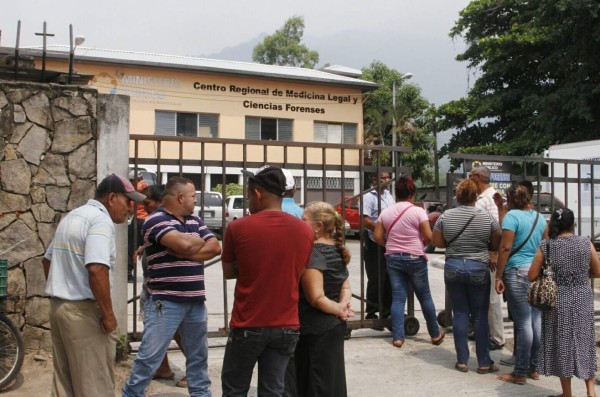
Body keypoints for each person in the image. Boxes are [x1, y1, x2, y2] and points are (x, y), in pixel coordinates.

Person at [42, 173, 145, 397]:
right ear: (111, 198)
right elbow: (97, 269)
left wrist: (63, 287)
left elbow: (47, 260)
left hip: (59, 308)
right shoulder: (100, 221)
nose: (130, 209)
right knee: (95, 385)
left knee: (64, 383)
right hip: (83, 312)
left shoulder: (73, 216)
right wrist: (108, 315)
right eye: (127, 201)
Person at [122, 176, 221, 397]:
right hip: (165, 302)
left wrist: (186, 249)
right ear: (180, 197)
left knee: (198, 357)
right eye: (193, 196)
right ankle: (132, 394)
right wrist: (194, 243)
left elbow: (215, 247)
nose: (196, 200)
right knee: (150, 357)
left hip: (195, 302)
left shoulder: (194, 220)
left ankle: (201, 394)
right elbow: (186, 243)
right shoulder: (155, 220)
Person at [220, 165, 314, 397]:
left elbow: (229, 271)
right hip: (287, 326)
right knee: (273, 390)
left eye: (249, 194)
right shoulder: (305, 230)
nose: (249, 199)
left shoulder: (237, 227)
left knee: (234, 389)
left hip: (248, 324)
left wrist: (253, 265)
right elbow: (300, 271)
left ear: (258, 193)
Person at [528, 208, 600, 397]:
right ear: (573, 225)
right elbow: (598, 271)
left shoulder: (547, 245)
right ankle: (590, 391)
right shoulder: (585, 243)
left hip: (558, 301)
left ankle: (567, 394)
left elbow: (531, 275)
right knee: (585, 342)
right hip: (582, 298)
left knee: (563, 345)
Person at [431, 179, 501, 373]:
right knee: (479, 316)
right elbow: (496, 241)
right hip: (478, 267)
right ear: (474, 196)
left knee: (460, 314)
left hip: (453, 267)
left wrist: (454, 243)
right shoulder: (486, 217)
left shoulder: (446, 216)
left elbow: (436, 241)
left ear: (458, 196)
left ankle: (462, 360)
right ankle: (484, 362)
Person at [373, 175, 444, 348]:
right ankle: (434, 334)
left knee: (398, 298)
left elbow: (377, 236)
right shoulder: (418, 212)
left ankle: (398, 337)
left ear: (396, 193)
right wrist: (421, 244)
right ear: (412, 193)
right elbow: (429, 237)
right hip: (415, 258)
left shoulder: (386, 212)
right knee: (425, 297)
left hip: (393, 257)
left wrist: (389, 244)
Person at [294, 201, 354, 397]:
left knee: (316, 383)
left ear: (318, 226)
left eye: (304, 220)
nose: (299, 223)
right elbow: (345, 285)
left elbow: (316, 297)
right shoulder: (336, 249)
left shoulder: (314, 253)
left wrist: (339, 309)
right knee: (331, 382)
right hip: (334, 326)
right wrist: (342, 306)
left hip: (316, 328)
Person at [494, 184, 548, 385]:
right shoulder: (539, 218)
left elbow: (506, 246)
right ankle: (534, 368)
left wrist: (499, 276)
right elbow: (544, 246)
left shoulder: (512, 217)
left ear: (512, 199)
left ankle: (520, 372)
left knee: (523, 323)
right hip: (535, 271)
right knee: (535, 320)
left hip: (516, 272)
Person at [468, 166, 505, 351]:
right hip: (481, 254)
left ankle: (497, 337)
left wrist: (494, 252)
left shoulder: (491, 197)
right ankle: (483, 329)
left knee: (491, 298)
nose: (469, 178)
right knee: (482, 296)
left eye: (471, 176)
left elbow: (496, 229)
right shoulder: (483, 197)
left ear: (480, 177)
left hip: (490, 253)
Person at [362, 171, 394, 323]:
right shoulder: (368, 196)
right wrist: (381, 228)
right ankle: (372, 310)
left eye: (388, 177)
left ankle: (386, 309)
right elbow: (366, 221)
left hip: (388, 241)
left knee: (388, 276)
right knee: (376, 277)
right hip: (373, 241)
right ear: (374, 179)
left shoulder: (389, 196)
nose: (386, 180)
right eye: (383, 178)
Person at [127, 171, 149, 282]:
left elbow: (130, 208)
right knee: (147, 247)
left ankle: (128, 274)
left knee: (131, 247)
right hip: (147, 220)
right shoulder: (147, 186)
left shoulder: (135, 188)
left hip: (139, 220)